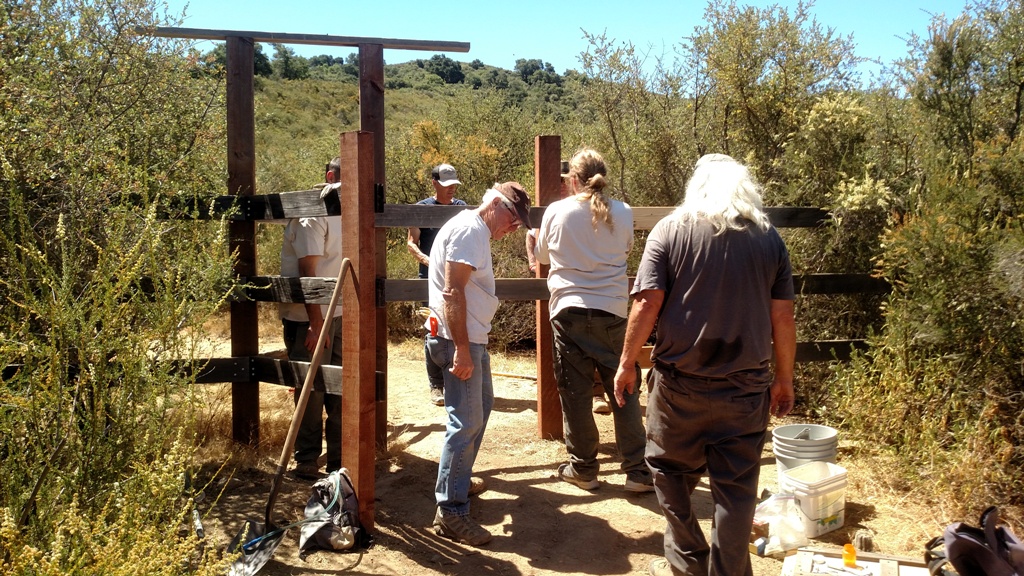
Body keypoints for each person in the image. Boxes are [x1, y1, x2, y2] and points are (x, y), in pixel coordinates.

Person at [612, 154, 796, 576]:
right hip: (746, 389)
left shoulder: (670, 231)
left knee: (666, 469)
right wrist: (784, 379)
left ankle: (688, 558)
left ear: (697, 185)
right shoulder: (769, 239)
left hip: (680, 387)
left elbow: (646, 303)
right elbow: (782, 317)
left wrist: (626, 363)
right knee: (736, 490)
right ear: (745, 188)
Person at [534, 148, 653, 493]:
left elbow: (542, 255)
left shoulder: (557, 211)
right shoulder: (623, 212)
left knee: (575, 392)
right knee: (624, 388)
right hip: (613, 312)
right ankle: (637, 471)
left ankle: (584, 468)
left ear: (572, 180)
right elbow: (627, 249)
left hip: (567, 311)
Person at [426, 181, 531, 546]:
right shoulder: (471, 231)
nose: (514, 227)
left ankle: (457, 481)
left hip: (467, 337)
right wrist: (462, 349)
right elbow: (452, 291)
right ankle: (451, 511)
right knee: (466, 420)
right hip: (461, 339)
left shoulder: (472, 229)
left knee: (480, 409)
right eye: (513, 218)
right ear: (496, 205)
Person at [279, 157, 346, 481]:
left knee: (340, 387)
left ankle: (339, 460)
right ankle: (306, 459)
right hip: (308, 316)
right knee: (310, 388)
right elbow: (309, 271)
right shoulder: (313, 212)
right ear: (331, 177)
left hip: (339, 310)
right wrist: (316, 325)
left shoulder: (349, 209)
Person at [526, 161, 611, 415]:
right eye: (560, 181)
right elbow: (532, 237)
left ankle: (595, 392)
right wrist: (533, 262)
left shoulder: (582, 207)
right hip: (566, 284)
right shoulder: (553, 206)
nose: (563, 185)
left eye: (566, 180)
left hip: (576, 285)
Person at [408, 163, 468, 407]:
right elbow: (411, 242)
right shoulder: (420, 209)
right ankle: (436, 385)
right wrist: (426, 260)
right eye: (446, 185)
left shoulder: (462, 208)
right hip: (430, 277)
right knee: (433, 329)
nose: (451, 189)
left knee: (457, 327)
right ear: (434, 183)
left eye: (454, 184)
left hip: (457, 278)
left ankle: (455, 379)